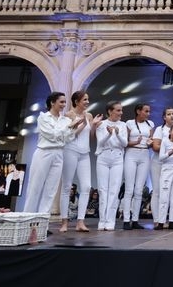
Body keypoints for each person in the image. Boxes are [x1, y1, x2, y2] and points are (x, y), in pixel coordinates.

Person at [24, 92, 83, 214]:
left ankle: (42, 222)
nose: (64, 104)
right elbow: (51, 135)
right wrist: (69, 127)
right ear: (52, 102)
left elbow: (68, 138)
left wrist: (69, 128)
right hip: (44, 152)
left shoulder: (65, 120)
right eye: (61, 102)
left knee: (51, 189)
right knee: (35, 186)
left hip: (59, 153)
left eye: (64, 102)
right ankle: (27, 218)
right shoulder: (43, 117)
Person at [60, 90, 102, 233]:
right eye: (84, 100)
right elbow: (70, 136)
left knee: (86, 187)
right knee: (67, 186)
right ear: (76, 101)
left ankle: (80, 221)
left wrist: (94, 125)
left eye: (87, 99)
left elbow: (90, 137)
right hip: (70, 150)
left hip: (84, 153)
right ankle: (64, 222)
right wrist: (82, 124)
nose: (87, 102)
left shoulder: (89, 115)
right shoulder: (68, 115)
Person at [95, 101, 128, 231]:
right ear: (110, 111)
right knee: (103, 190)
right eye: (118, 110)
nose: (121, 113)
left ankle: (110, 220)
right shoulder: (101, 124)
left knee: (114, 190)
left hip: (117, 158)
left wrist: (118, 133)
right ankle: (102, 220)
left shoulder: (123, 125)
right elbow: (100, 142)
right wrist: (109, 133)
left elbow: (124, 143)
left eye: (121, 110)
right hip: (103, 157)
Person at [122, 103, 154, 230]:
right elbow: (124, 142)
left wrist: (151, 142)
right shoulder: (129, 123)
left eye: (149, 111)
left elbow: (151, 140)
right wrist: (135, 142)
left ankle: (135, 219)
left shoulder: (150, 124)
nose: (148, 114)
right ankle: (125, 219)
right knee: (129, 188)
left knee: (139, 189)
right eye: (146, 111)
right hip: (131, 153)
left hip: (145, 153)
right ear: (138, 111)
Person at [150, 107, 173, 230]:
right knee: (157, 191)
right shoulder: (160, 130)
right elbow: (155, 146)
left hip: (171, 164)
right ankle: (157, 220)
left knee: (171, 193)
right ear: (164, 117)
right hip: (158, 163)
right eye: (169, 114)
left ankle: (169, 219)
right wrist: (169, 147)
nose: (171, 116)